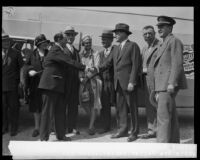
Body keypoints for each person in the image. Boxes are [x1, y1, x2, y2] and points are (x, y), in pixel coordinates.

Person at [95, 23, 141, 142]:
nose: (115, 35)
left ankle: (134, 132)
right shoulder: (116, 48)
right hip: (118, 83)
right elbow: (108, 64)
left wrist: (132, 81)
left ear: (124, 34)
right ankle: (123, 130)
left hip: (128, 83)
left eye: (118, 33)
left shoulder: (133, 46)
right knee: (121, 109)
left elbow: (136, 66)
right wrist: (95, 69)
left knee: (132, 108)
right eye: (115, 33)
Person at [38, 33, 85, 141]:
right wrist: (85, 67)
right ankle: (43, 138)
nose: (67, 40)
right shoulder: (56, 49)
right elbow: (68, 61)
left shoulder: (59, 50)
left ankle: (61, 135)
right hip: (50, 85)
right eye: (65, 39)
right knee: (47, 112)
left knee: (60, 112)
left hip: (58, 86)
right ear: (59, 39)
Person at [154, 16, 187, 143]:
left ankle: (162, 146)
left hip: (167, 84)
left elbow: (177, 63)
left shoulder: (174, 41)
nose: (159, 29)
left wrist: (172, 83)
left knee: (163, 116)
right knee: (170, 115)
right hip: (162, 84)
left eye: (162, 26)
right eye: (158, 26)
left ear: (170, 27)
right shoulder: (164, 43)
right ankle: (173, 143)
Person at [24, 34, 50, 137]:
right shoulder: (32, 54)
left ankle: (46, 127)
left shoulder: (49, 53)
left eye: (46, 43)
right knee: (36, 106)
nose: (45, 44)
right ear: (38, 44)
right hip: (35, 84)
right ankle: (37, 127)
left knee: (46, 106)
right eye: (43, 43)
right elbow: (26, 66)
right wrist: (30, 70)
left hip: (47, 84)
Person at [140, 25, 161, 139]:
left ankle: (160, 131)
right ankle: (151, 130)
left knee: (158, 106)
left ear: (154, 34)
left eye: (150, 33)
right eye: (145, 34)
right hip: (146, 81)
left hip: (156, 81)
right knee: (149, 106)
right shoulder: (144, 48)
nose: (147, 35)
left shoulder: (160, 46)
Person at [79, 35, 102, 135]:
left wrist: (87, 76)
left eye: (89, 42)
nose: (88, 44)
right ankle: (93, 118)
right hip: (83, 81)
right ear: (83, 44)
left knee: (93, 103)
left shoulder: (96, 53)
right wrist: (80, 78)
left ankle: (91, 126)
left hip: (93, 81)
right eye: (86, 42)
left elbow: (96, 68)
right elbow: (79, 67)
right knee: (83, 102)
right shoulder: (80, 55)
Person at [2, 32, 24, 136]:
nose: (6, 43)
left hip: (12, 85)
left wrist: (21, 81)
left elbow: (22, 68)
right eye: (3, 41)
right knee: (3, 107)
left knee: (14, 108)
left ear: (10, 42)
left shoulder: (16, 53)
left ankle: (14, 129)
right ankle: (4, 127)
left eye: (7, 41)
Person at [63, 26, 81, 135]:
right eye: (68, 34)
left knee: (73, 106)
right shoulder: (62, 48)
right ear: (65, 36)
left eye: (72, 35)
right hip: (65, 82)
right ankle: (62, 128)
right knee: (63, 105)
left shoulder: (75, 50)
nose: (71, 37)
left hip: (74, 82)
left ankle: (72, 127)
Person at [98, 30, 116, 134]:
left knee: (118, 105)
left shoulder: (115, 50)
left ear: (111, 40)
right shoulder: (100, 53)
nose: (103, 41)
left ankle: (121, 127)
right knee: (104, 106)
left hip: (113, 82)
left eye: (105, 39)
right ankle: (106, 126)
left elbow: (108, 64)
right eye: (102, 39)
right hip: (103, 83)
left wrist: (96, 68)